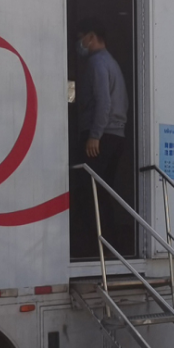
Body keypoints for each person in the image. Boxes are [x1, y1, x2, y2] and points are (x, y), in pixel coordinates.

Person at [72, 18, 128, 255]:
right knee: (102, 194)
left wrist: (95, 135)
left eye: (81, 38)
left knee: (90, 194)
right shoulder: (111, 63)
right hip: (115, 135)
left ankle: (95, 249)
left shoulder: (97, 63)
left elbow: (103, 102)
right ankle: (108, 247)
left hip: (101, 136)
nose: (79, 44)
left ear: (91, 37)